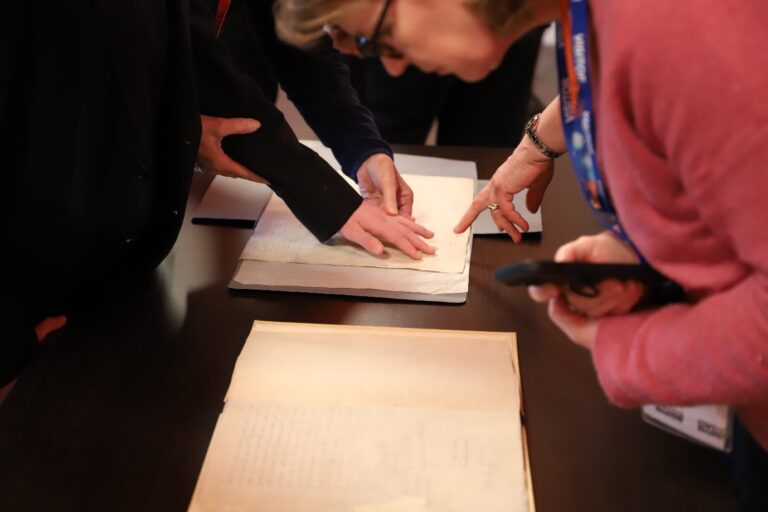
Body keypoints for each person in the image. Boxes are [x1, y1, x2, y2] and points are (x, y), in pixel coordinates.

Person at [274, 0, 768, 506]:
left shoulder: (678, 30)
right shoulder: (604, 20)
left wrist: (626, 350)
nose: (393, 67)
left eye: (383, 38)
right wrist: (649, 253)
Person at [0, 0, 434, 402]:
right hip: (43, 232)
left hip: (123, 252)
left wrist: (362, 148)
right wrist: (330, 199)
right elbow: (198, 65)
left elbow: (295, 36)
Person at [341, 28, 544, 147]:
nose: (394, 68)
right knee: (386, 147)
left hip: (514, 31)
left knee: (483, 152)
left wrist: (544, 145)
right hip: (417, 25)